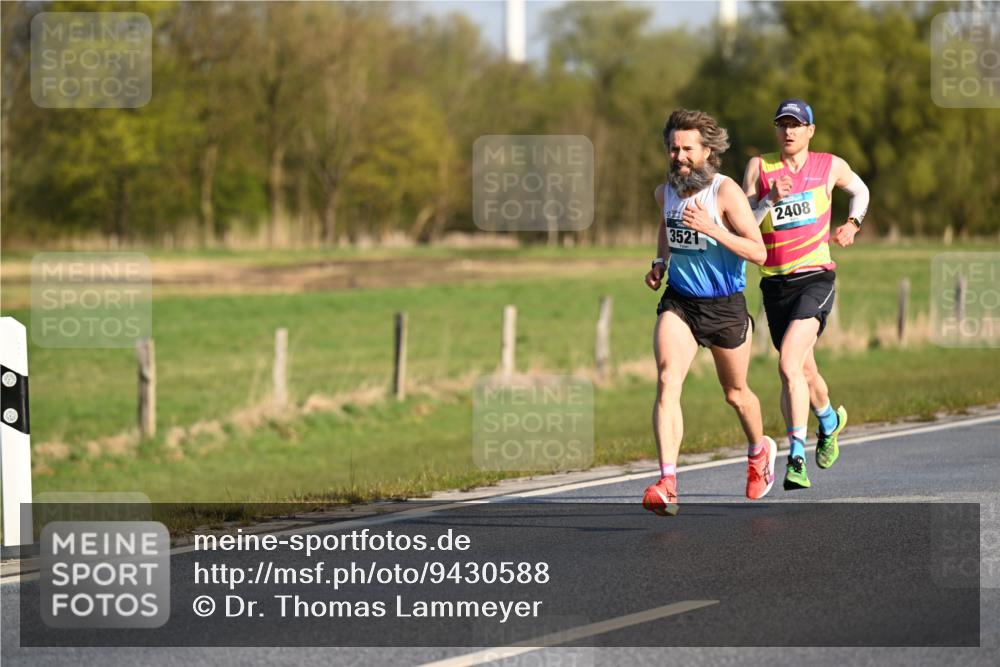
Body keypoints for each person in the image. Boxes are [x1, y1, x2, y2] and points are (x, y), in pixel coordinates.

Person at [642, 108, 776, 517]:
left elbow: (759, 252)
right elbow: (667, 228)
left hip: (725, 307)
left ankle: (759, 452)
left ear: (707, 152)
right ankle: (668, 482)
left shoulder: (724, 192)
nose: (679, 156)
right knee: (667, 379)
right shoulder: (664, 192)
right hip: (681, 302)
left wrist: (714, 229)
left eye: (687, 149)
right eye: (673, 148)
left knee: (735, 394)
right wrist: (661, 263)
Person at [741, 98, 870, 490]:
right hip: (775, 282)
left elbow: (860, 190)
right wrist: (769, 199)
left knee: (788, 366)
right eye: (782, 124)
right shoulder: (759, 167)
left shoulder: (829, 165)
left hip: (815, 278)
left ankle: (795, 456)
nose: (789, 131)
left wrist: (852, 223)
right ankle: (829, 422)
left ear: (810, 130)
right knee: (804, 371)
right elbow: (742, 221)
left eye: (796, 124)